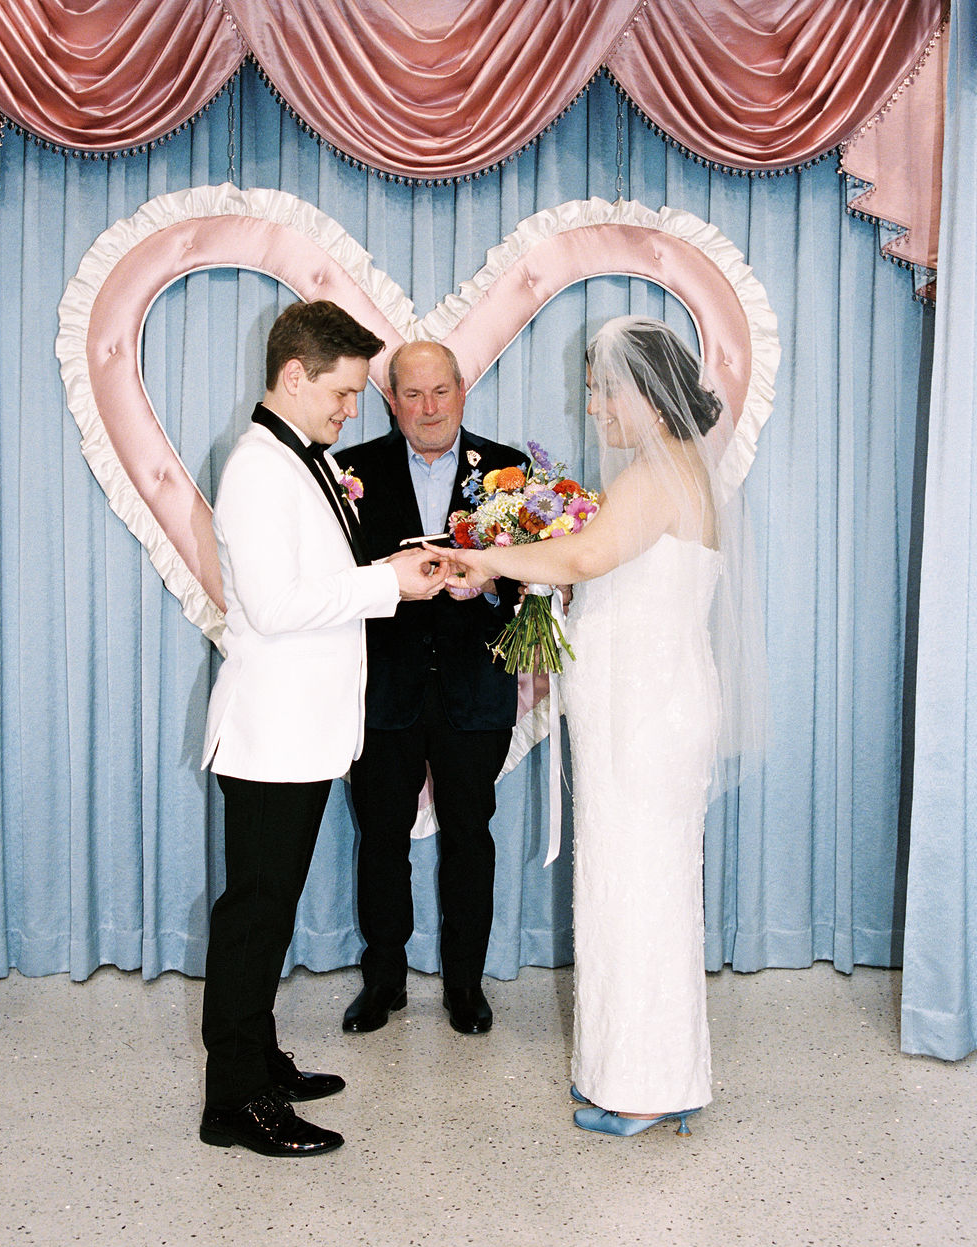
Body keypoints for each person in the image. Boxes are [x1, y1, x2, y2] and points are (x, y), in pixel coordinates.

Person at [438, 316, 762, 1137]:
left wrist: (490, 560)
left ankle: (650, 1083)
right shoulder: (670, 472)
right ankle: (647, 1071)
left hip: (644, 717)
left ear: (645, 398)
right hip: (640, 708)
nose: (591, 405)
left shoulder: (656, 475)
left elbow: (584, 560)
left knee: (639, 892)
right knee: (634, 889)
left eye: (600, 389)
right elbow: (608, 576)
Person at [199, 301, 446, 1158]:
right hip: (272, 735)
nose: (352, 412)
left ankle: (259, 1061)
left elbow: (321, 580)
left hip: (301, 731)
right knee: (254, 919)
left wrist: (394, 568)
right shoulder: (261, 468)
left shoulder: (297, 458)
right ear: (295, 375)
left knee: (266, 913)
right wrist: (391, 586)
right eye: (343, 394)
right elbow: (272, 607)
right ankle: (233, 1101)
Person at [334, 341, 526, 1036]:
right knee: (380, 837)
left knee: (471, 837)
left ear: (462, 388)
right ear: (391, 401)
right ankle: (383, 979)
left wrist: (494, 576)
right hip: (383, 688)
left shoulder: (511, 469)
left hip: (476, 688)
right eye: (411, 395)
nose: (428, 408)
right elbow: (337, 580)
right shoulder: (348, 471)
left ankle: (465, 986)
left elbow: (526, 575)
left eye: (439, 391)